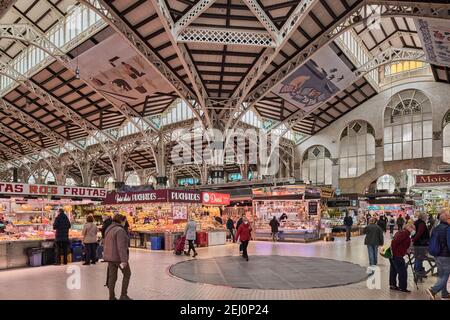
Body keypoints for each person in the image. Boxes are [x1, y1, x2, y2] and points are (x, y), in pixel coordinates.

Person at [103, 214, 132, 300]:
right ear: (121, 221)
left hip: (109, 257)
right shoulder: (120, 230)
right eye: (125, 221)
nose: (125, 223)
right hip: (118, 258)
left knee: (112, 277)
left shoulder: (109, 228)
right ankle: (123, 295)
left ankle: (111, 297)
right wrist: (124, 260)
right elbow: (121, 247)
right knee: (127, 274)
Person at [426, 211, 450, 300]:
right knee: (446, 275)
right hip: (446, 255)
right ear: (447, 219)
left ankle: (444, 293)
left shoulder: (436, 228)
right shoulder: (448, 228)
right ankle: (433, 290)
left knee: (441, 275)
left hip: (437, 255)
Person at [389, 223, 415, 292]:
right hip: (397, 255)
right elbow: (394, 242)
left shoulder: (401, 232)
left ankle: (392, 285)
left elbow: (400, 244)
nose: (414, 231)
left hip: (394, 254)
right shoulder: (404, 234)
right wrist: (394, 252)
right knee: (403, 271)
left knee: (393, 270)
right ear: (409, 228)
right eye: (413, 229)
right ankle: (402, 287)